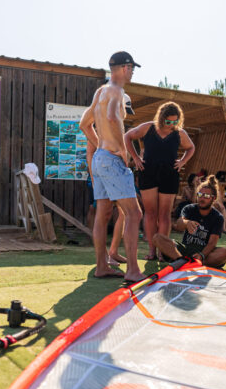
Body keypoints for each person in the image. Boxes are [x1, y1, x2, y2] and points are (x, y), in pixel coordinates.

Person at [79, 51, 144, 282]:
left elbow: (84, 124)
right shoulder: (117, 91)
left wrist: (102, 147)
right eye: (132, 68)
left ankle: (101, 266)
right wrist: (121, 149)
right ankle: (133, 270)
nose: (133, 72)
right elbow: (112, 117)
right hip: (110, 158)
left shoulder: (100, 91)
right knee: (134, 213)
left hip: (100, 158)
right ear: (125, 68)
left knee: (103, 214)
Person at [125, 101, 195, 260]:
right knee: (150, 212)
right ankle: (151, 250)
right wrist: (135, 158)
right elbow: (128, 136)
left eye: (175, 121)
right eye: (168, 121)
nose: (171, 124)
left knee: (164, 214)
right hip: (147, 171)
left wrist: (183, 161)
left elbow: (191, 147)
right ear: (161, 118)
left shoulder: (179, 133)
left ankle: (162, 251)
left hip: (169, 173)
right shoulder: (148, 127)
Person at [86, 93, 136, 267]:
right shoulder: (106, 123)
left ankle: (111, 254)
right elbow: (90, 152)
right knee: (131, 213)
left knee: (118, 213)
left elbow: (85, 127)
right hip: (107, 168)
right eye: (125, 109)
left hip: (103, 167)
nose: (126, 113)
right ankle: (117, 262)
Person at [153, 175, 226, 267]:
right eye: (200, 195)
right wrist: (187, 223)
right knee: (157, 238)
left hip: (204, 252)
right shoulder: (189, 208)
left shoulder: (218, 217)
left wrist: (201, 255)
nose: (202, 198)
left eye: (206, 196)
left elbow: (212, 243)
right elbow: (179, 223)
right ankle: (182, 261)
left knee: (225, 253)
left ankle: (188, 264)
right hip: (185, 249)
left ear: (213, 198)